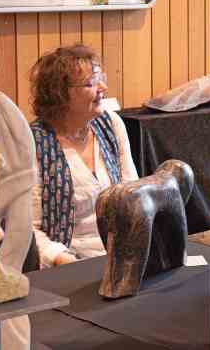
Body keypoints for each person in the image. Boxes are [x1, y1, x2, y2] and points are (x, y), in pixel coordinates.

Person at [29, 44, 139, 268]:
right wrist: (62, 260)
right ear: (60, 94)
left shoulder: (111, 124)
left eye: (101, 78)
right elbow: (29, 229)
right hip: (69, 265)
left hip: (121, 256)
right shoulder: (34, 143)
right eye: (91, 83)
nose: (103, 87)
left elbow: (134, 195)